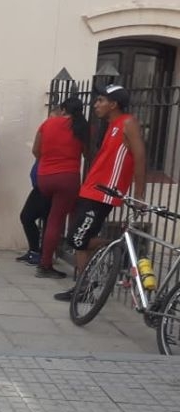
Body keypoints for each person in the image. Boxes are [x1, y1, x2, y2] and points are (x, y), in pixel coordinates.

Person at [55, 85, 146, 300]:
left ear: (113, 104)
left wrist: (139, 195)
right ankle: (83, 287)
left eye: (100, 101)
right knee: (80, 240)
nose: (95, 105)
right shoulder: (111, 125)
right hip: (92, 189)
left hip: (104, 193)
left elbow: (140, 156)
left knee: (77, 239)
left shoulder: (128, 122)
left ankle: (119, 247)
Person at [33, 97, 88, 279]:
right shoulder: (82, 127)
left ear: (63, 110)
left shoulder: (48, 124)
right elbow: (88, 154)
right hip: (68, 178)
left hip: (44, 177)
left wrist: (48, 160)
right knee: (59, 219)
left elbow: (36, 150)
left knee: (53, 218)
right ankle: (46, 264)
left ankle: (53, 255)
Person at [16, 163, 50, 266]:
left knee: (47, 220)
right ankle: (34, 251)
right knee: (26, 217)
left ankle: (43, 255)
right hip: (39, 186)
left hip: (48, 183)